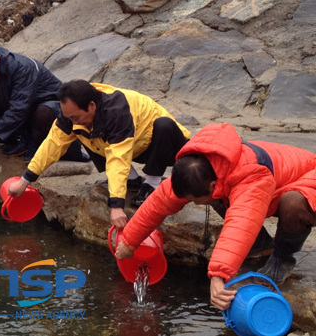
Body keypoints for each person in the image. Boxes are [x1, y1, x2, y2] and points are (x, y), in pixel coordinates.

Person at [115, 123, 316, 311]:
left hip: (308, 181)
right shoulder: (201, 169)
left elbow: (242, 221)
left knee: (294, 204)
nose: (192, 203)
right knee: (219, 197)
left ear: (211, 185)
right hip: (271, 188)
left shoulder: (250, 176)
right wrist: (130, 241)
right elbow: (158, 203)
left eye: (194, 200)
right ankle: (262, 247)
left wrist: (218, 276)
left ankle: (281, 260)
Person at [8, 80, 191, 228]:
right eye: (69, 117)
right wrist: (25, 180)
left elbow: (118, 157)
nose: (72, 121)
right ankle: (132, 180)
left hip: (165, 146)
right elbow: (52, 145)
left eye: (75, 116)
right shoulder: (72, 113)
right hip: (134, 147)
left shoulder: (116, 111)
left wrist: (116, 205)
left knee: (164, 125)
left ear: (92, 105)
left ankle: (151, 183)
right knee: (84, 131)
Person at [0, 42, 87, 162]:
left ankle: (40, 146)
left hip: (51, 109)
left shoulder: (21, 67)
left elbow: (19, 109)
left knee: (43, 113)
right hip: (25, 114)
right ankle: (25, 141)